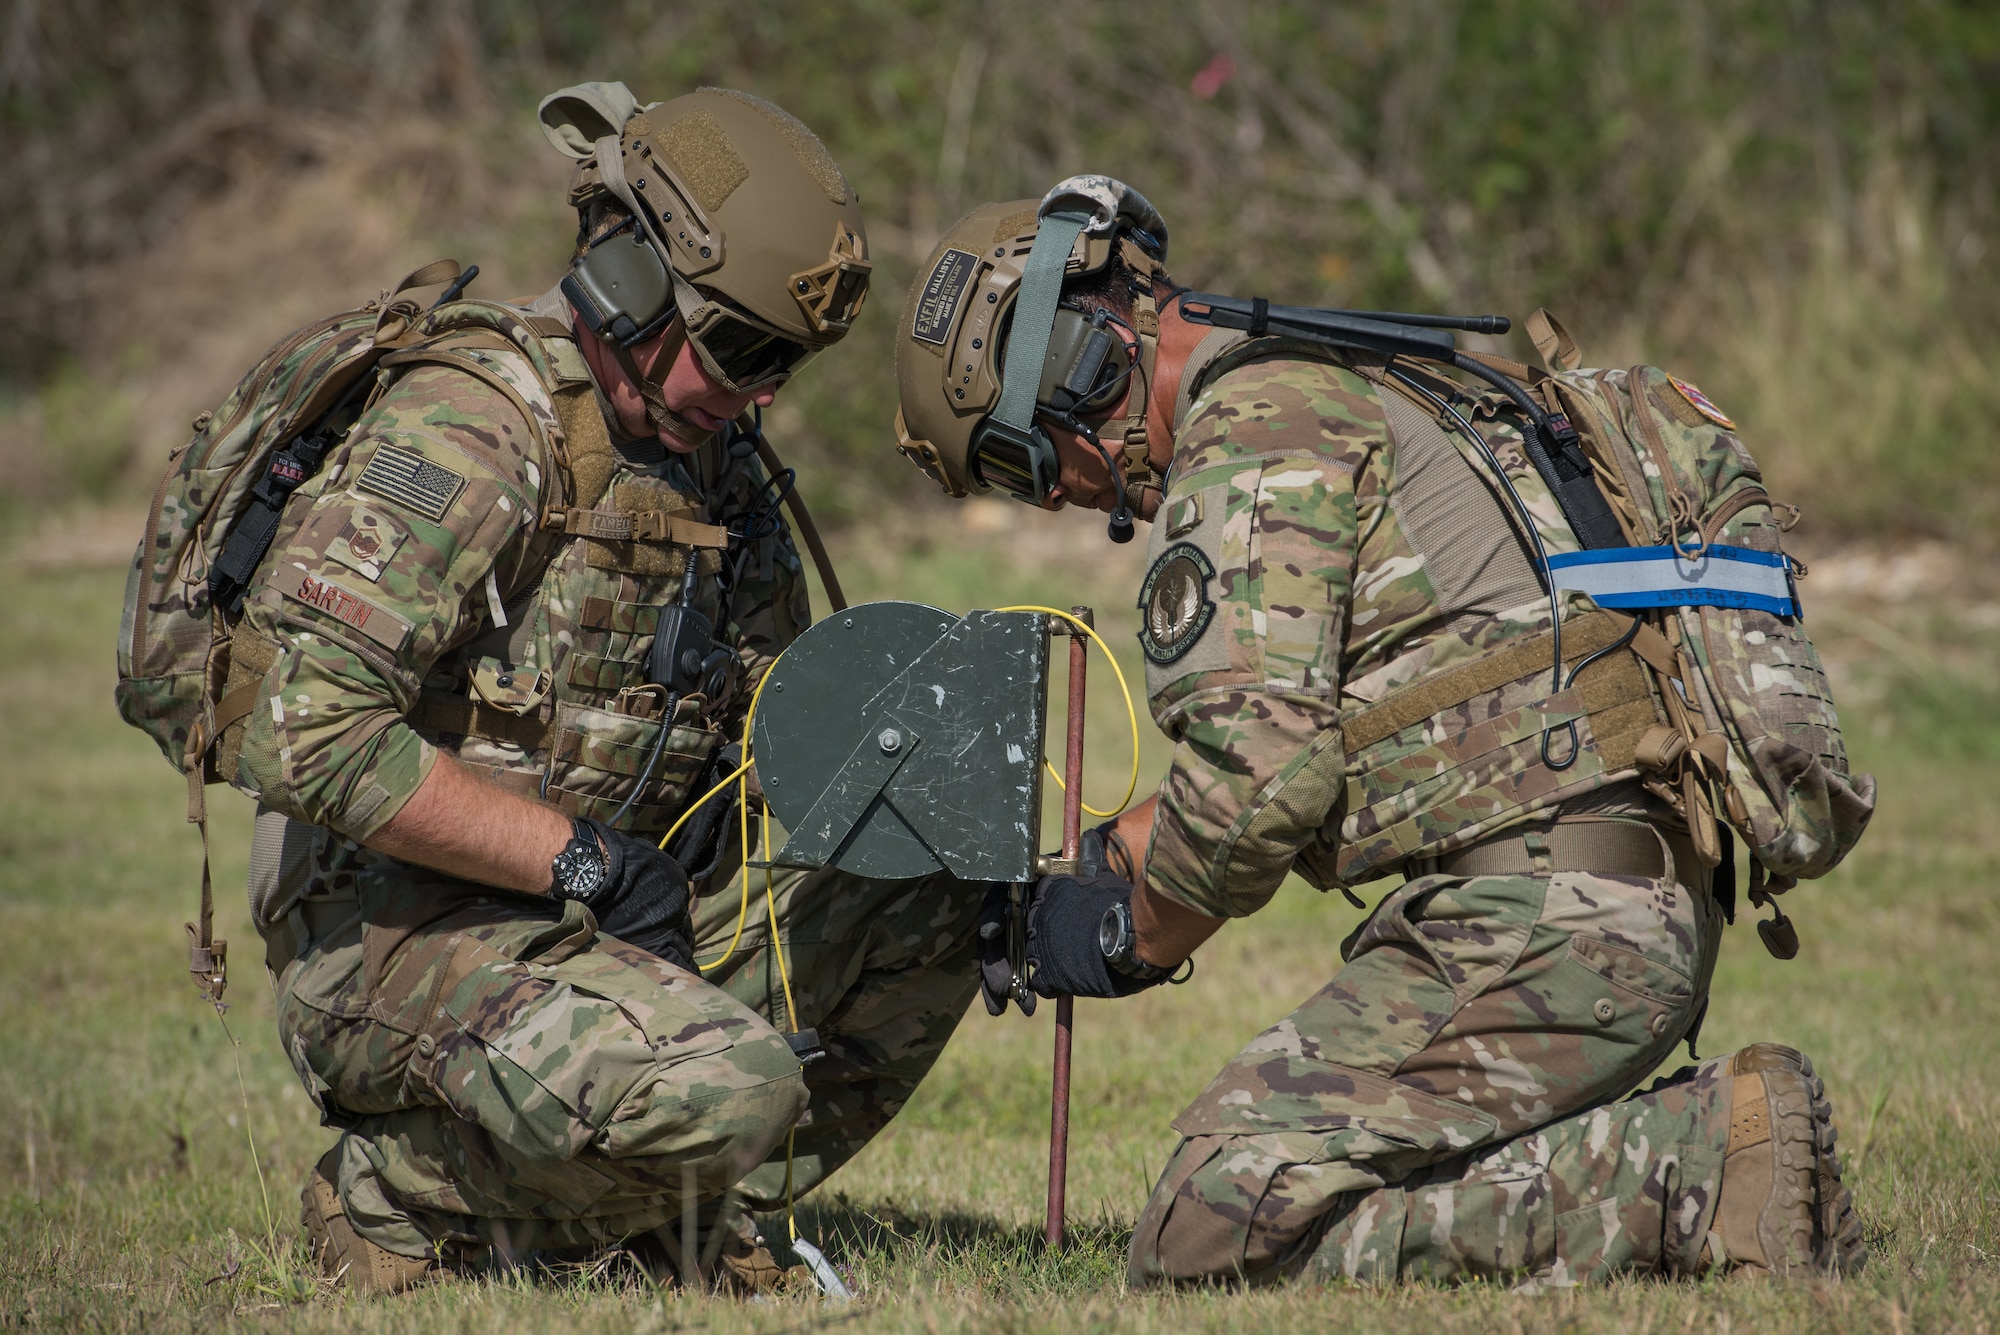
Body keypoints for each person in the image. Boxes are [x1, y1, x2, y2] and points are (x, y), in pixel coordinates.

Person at [892, 176, 1868, 1287]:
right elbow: (1382, 720)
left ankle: (1699, 1168)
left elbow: (1260, 787)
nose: (1066, 499)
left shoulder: (1253, 428)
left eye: (1024, 465)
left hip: (1538, 920)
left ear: (1078, 363)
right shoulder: (1361, 385)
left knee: (1209, 1228)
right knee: (1300, 1184)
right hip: (1607, 902)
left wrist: (1125, 941)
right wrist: (1110, 858)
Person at [221, 83, 985, 1293]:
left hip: (611, 927)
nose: (765, 392)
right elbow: (298, 733)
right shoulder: (473, 427)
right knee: (733, 1087)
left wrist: (947, 774)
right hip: (394, 936)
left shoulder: (722, 474)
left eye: (787, 361)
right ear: (626, 286)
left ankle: (653, 1206)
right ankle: (396, 1196)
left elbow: (763, 735)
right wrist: (580, 860)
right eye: (741, 349)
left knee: (941, 882)